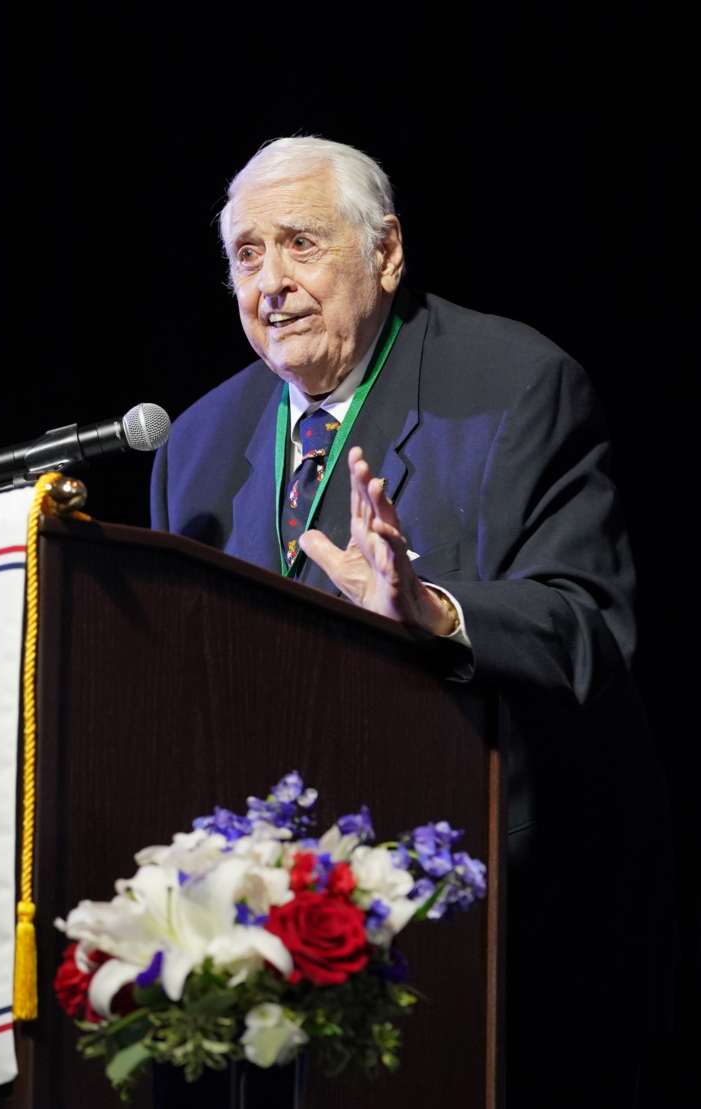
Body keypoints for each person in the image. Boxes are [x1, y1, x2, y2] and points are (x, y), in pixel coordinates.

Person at [151, 137, 670, 1107]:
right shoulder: (195, 442)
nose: (269, 282)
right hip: (260, 951)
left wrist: (430, 611)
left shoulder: (515, 386)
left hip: (496, 931)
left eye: (300, 244)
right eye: (245, 255)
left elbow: (588, 625)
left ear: (384, 253)